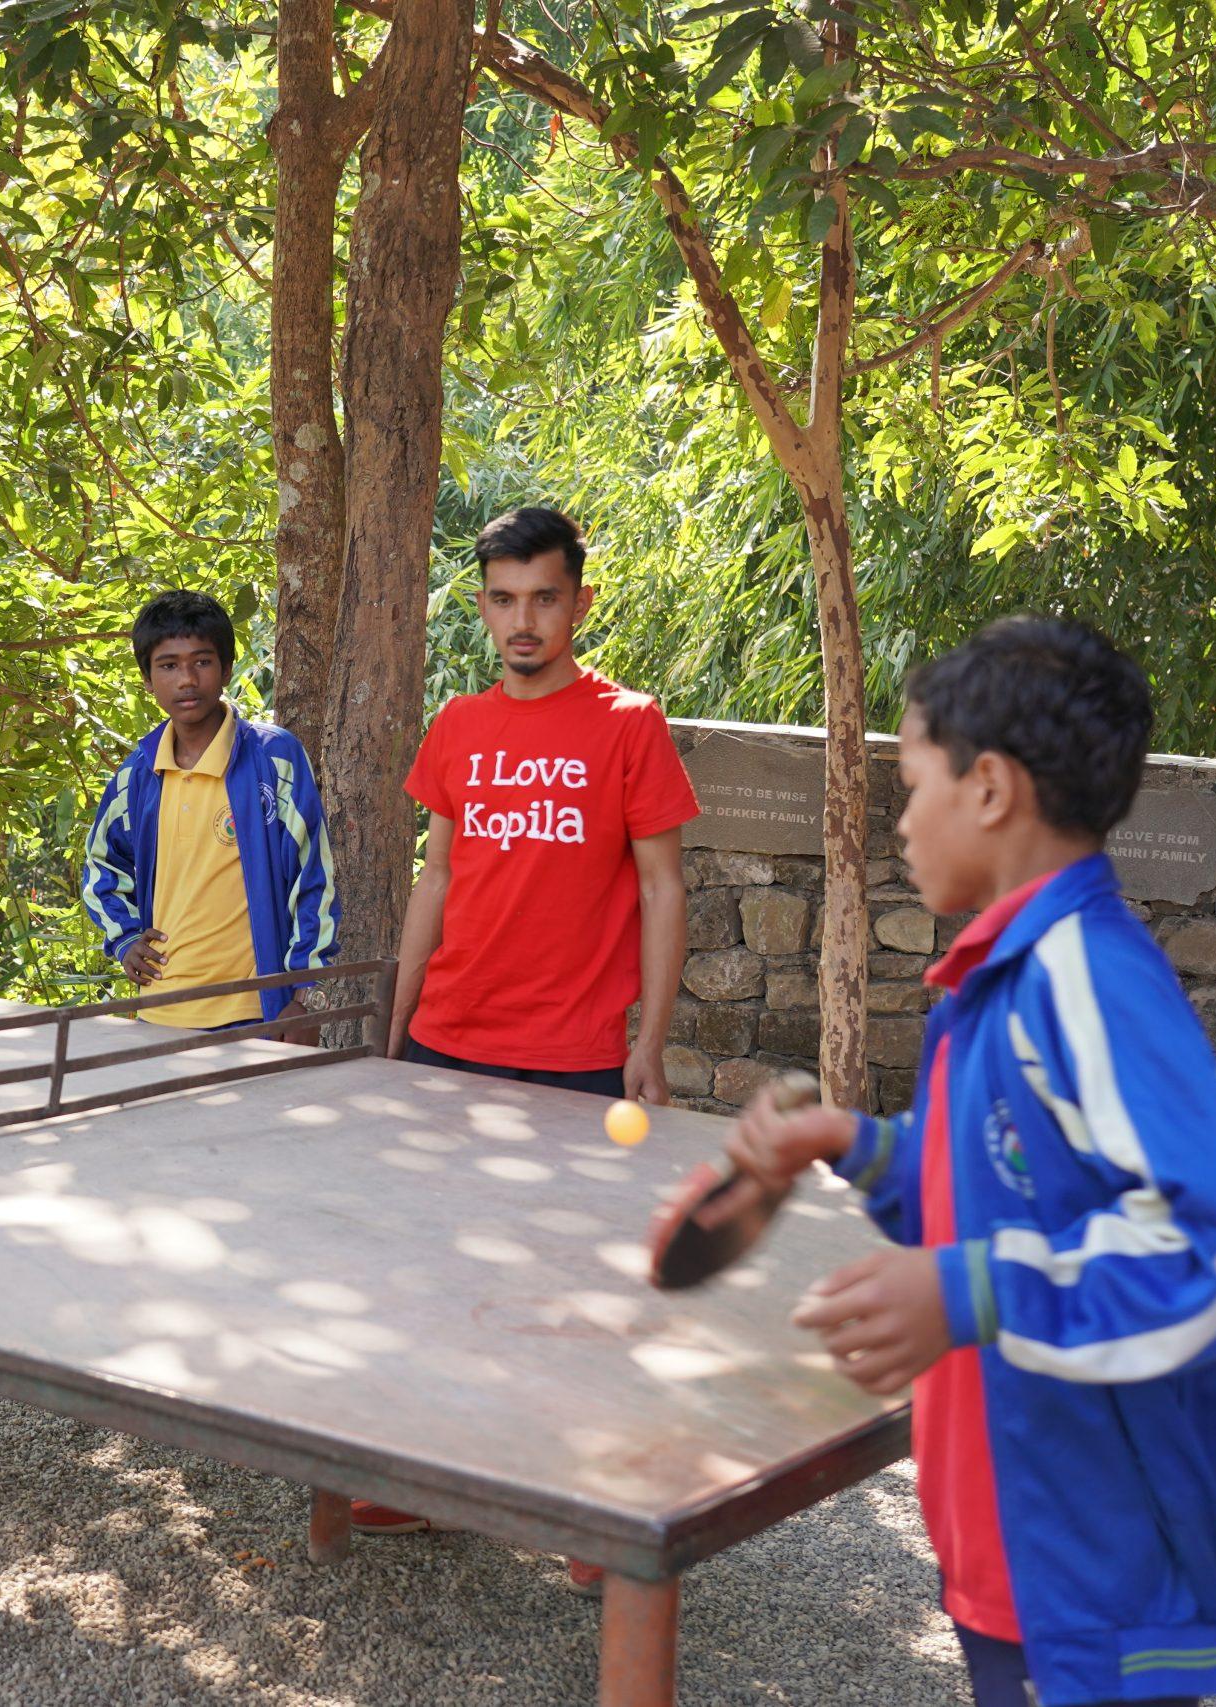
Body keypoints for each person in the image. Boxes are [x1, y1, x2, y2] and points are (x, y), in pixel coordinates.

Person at [724, 616, 1216, 1707]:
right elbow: (1017, 1183)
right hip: (1023, 1551)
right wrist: (855, 1146)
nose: (899, 820)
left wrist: (967, 1289)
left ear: (988, 788)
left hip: (1104, 1576)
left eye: (911, 782)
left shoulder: (1083, 977)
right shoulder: (1001, 977)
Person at [362, 505, 700, 1566]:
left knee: (575, 1283)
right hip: (448, 1036)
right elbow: (439, 874)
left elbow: (663, 886)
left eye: (544, 598)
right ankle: (431, 1482)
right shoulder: (457, 725)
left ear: (579, 604)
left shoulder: (627, 723)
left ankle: (584, 1512)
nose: (523, 620)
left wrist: (647, 1034)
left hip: (574, 1052)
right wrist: (398, 1009)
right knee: (436, 1267)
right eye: (504, 600)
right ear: (482, 606)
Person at [82, 589, 339, 1030]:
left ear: (225, 668)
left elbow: (312, 875)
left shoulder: (272, 758)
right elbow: (100, 864)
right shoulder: (138, 775)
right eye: (168, 665)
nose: (186, 679)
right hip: (159, 1012)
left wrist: (304, 994)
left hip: (257, 1013)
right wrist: (124, 939)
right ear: (147, 679)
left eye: (201, 661)